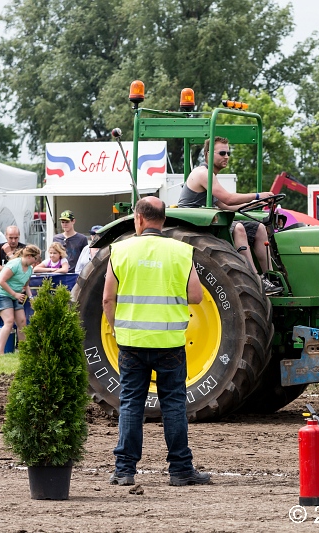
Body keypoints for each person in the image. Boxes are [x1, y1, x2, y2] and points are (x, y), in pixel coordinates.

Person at [102, 196, 209, 487]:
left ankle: (124, 470)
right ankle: (181, 471)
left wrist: (115, 329)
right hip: (170, 343)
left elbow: (107, 298)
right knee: (173, 404)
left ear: (138, 219)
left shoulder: (120, 250)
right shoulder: (181, 252)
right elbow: (197, 296)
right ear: (163, 220)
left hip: (131, 342)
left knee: (131, 404)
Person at [177, 136, 281, 295]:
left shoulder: (211, 176)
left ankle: (271, 276)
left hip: (209, 221)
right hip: (195, 226)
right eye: (222, 153)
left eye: (228, 153)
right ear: (208, 154)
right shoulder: (202, 173)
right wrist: (258, 195)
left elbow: (224, 205)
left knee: (258, 227)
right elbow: (228, 198)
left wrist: (255, 204)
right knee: (238, 228)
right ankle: (257, 280)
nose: (226, 156)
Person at [0, 245, 40, 355]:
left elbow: (26, 285)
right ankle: (0, 352)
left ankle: (23, 352)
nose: (37, 261)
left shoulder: (30, 269)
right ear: (28, 256)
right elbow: (1, 281)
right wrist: (15, 294)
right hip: (2, 293)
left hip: (15, 295)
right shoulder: (14, 265)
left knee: (22, 322)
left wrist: (31, 298)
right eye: (35, 258)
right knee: (9, 321)